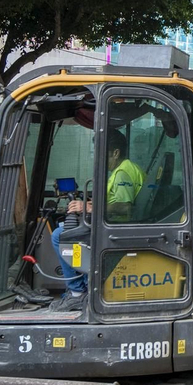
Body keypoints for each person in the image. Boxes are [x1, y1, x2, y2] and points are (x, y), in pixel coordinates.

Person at [51, 130, 146, 312]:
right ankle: (81, 286)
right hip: (111, 222)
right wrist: (90, 204)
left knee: (59, 236)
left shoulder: (122, 173)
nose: (99, 158)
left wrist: (87, 207)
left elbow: (124, 207)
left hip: (115, 226)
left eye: (103, 152)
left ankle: (77, 292)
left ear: (116, 153)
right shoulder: (129, 168)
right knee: (66, 229)